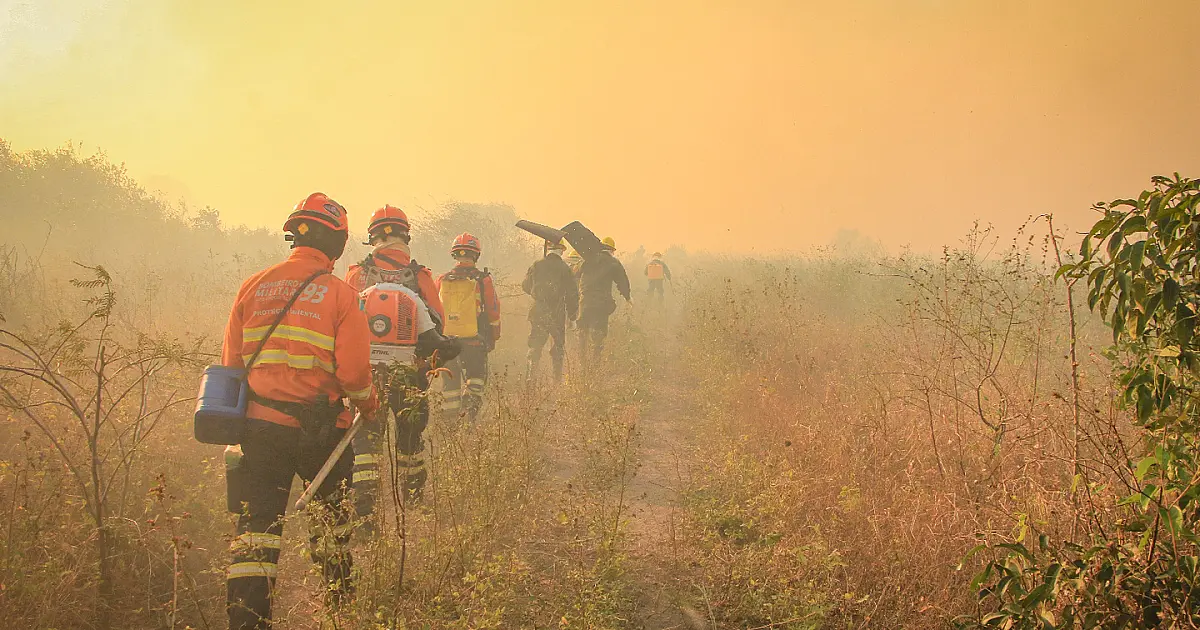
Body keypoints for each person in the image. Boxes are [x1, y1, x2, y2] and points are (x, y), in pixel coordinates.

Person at [222, 192, 379, 630]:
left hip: (258, 430)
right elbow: (353, 375)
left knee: (254, 533)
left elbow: (232, 367)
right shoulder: (342, 296)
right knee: (331, 526)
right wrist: (369, 405)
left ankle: (248, 622)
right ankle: (339, 612)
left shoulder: (252, 286)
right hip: (321, 433)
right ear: (338, 242)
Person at [345, 205, 451, 512]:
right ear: (406, 236)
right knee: (411, 439)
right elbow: (438, 325)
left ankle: (366, 513)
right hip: (410, 373)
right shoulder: (421, 277)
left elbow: (343, 322)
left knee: (364, 444)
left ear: (373, 238)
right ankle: (414, 506)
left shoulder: (357, 274)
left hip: (366, 374)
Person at [435, 233, 501, 421]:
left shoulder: (442, 280)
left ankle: (450, 424)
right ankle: (468, 417)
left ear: (454, 255)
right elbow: (493, 310)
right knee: (477, 378)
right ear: (476, 255)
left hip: (448, 342)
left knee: (450, 384)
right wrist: (493, 336)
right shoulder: (483, 280)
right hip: (475, 340)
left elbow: (434, 311)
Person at [522, 239, 579, 382]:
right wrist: (572, 317)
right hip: (557, 312)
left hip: (538, 310)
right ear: (562, 250)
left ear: (548, 249)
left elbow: (526, 286)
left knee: (535, 346)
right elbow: (573, 295)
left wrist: (538, 294)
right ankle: (556, 381)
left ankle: (531, 378)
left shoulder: (537, 265)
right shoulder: (565, 269)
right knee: (558, 347)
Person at [575, 236, 630, 360]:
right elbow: (622, 281)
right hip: (601, 303)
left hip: (585, 302)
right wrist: (628, 297)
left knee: (582, 331)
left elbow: (576, 272)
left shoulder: (588, 259)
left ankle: (581, 361)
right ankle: (595, 364)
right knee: (598, 335)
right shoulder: (614, 263)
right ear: (612, 250)